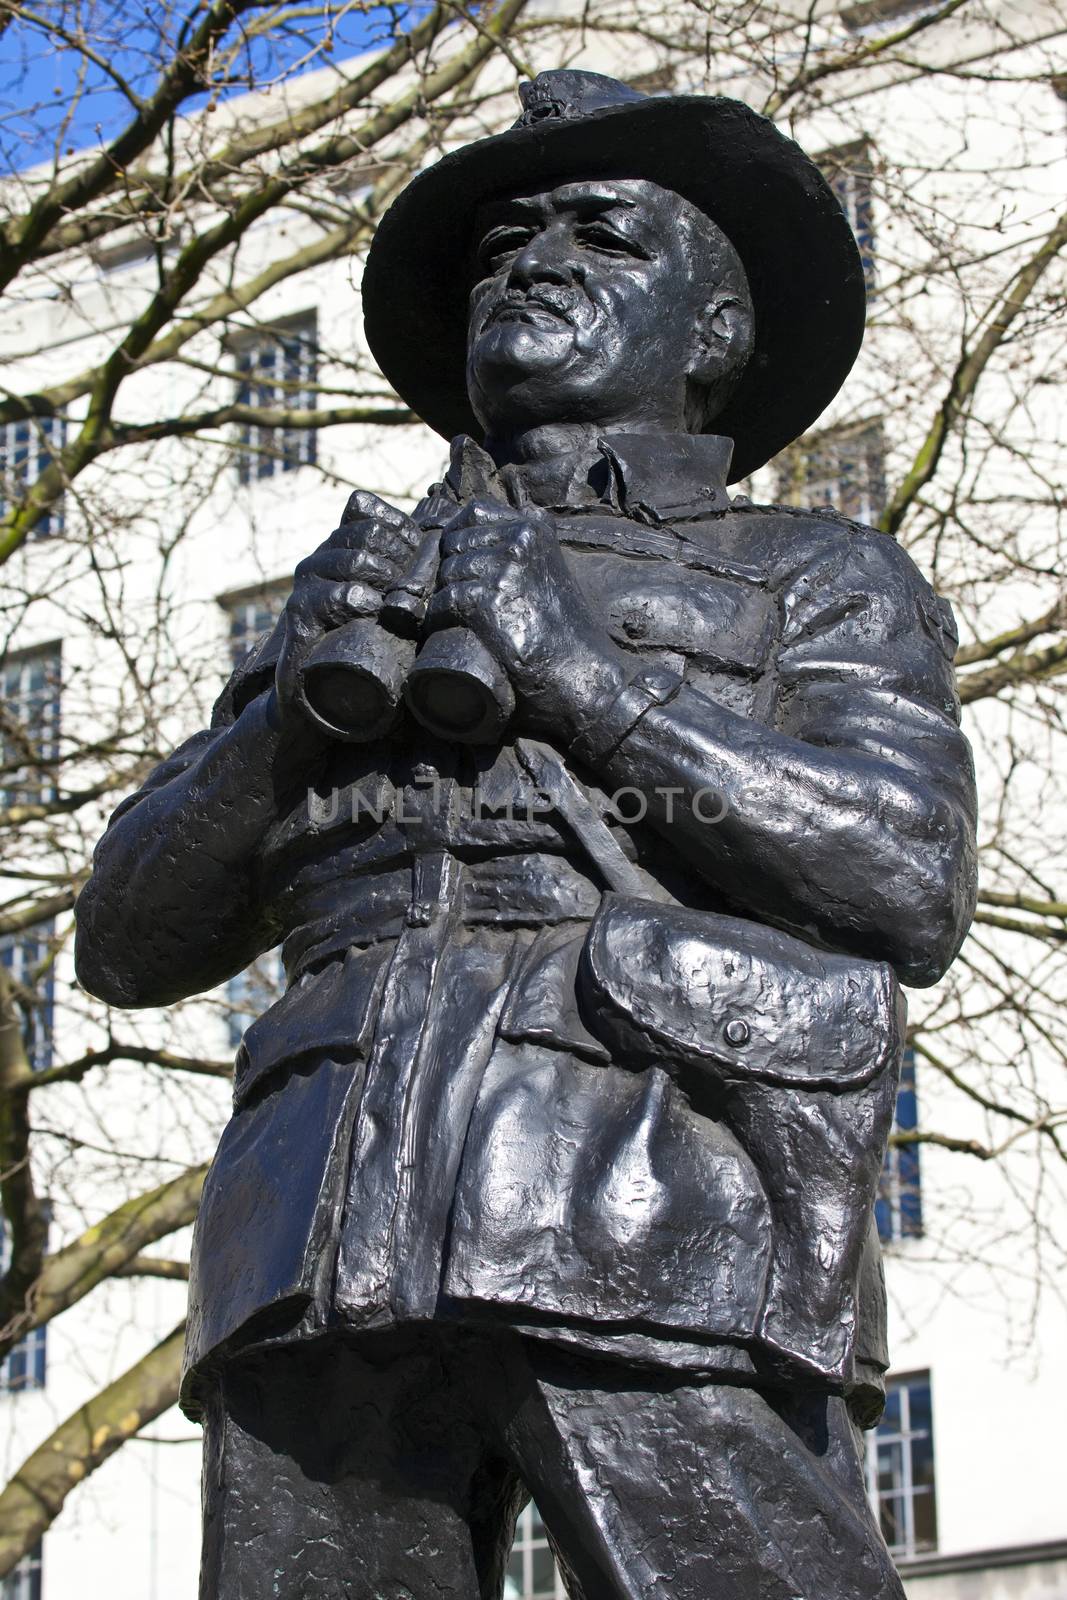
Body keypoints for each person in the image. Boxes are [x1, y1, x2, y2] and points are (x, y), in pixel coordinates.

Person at [75, 69, 977, 1600]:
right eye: (501, 244)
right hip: (316, 1231)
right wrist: (286, 717)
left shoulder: (816, 573)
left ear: (715, 333)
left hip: (659, 1207)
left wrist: (577, 674)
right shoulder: (341, 588)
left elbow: (906, 872)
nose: (533, 263)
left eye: (600, 235)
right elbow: (123, 940)